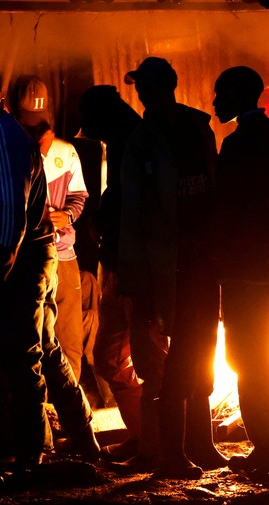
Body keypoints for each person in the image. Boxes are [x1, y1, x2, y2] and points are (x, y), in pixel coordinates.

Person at [0, 68, 96, 469]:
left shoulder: (2, 141)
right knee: (45, 350)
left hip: (21, 263)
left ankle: (32, 453)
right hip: (29, 259)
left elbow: (10, 222)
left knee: (26, 355)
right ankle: (82, 438)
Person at [118, 57, 224, 479]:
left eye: (146, 86)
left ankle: (199, 444)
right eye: (140, 87)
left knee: (199, 352)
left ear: (164, 87)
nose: (142, 93)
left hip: (194, 261)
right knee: (178, 358)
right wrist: (140, 280)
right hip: (169, 264)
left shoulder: (184, 130)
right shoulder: (146, 139)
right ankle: (174, 453)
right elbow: (136, 214)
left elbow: (138, 211)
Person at [211, 65, 269, 475]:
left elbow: (228, 211)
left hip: (243, 267)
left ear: (239, 95)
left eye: (220, 94)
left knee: (246, 360)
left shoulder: (239, 145)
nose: (214, 102)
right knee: (262, 358)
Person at [9, 75, 95, 391]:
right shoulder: (5, 153)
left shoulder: (65, 151)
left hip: (63, 255)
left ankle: (68, 417)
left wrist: (67, 214)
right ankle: (41, 410)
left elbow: (79, 195)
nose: (37, 130)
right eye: (28, 122)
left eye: (40, 122)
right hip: (23, 259)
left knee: (70, 339)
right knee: (32, 340)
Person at [78, 85, 145, 462]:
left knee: (129, 358)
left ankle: (154, 439)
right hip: (119, 263)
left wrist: (104, 219)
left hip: (131, 267)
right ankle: (144, 435)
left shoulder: (134, 142)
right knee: (111, 358)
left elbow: (136, 204)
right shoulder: (123, 141)